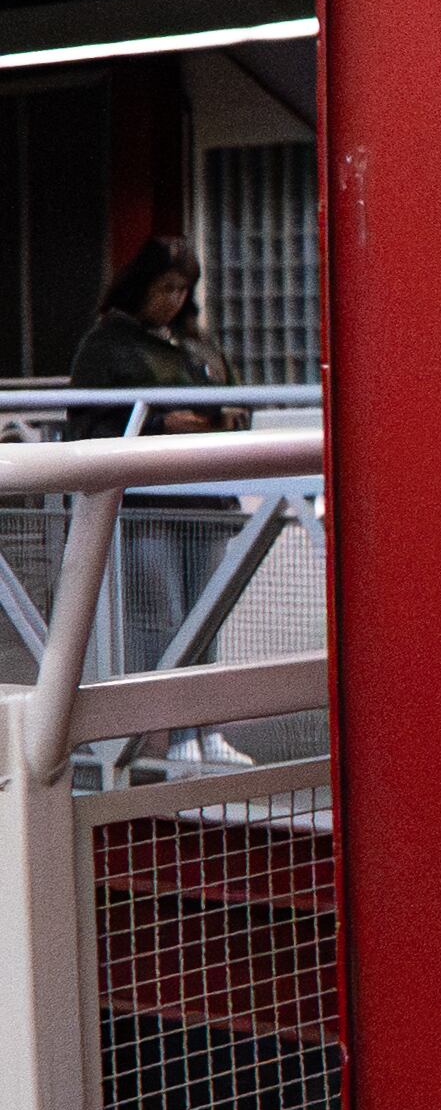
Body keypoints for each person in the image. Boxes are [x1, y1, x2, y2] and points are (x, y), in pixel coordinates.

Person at [68, 235, 253, 765]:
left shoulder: (198, 344)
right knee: (162, 620)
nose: (174, 298)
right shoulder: (106, 346)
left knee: (207, 617)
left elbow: (237, 400)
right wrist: (154, 424)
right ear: (140, 286)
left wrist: (226, 418)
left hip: (206, 501)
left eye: (183, 289)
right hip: (146, 506)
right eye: (165, 287)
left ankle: (206, 731)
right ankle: (167, 738)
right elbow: (84, 426)